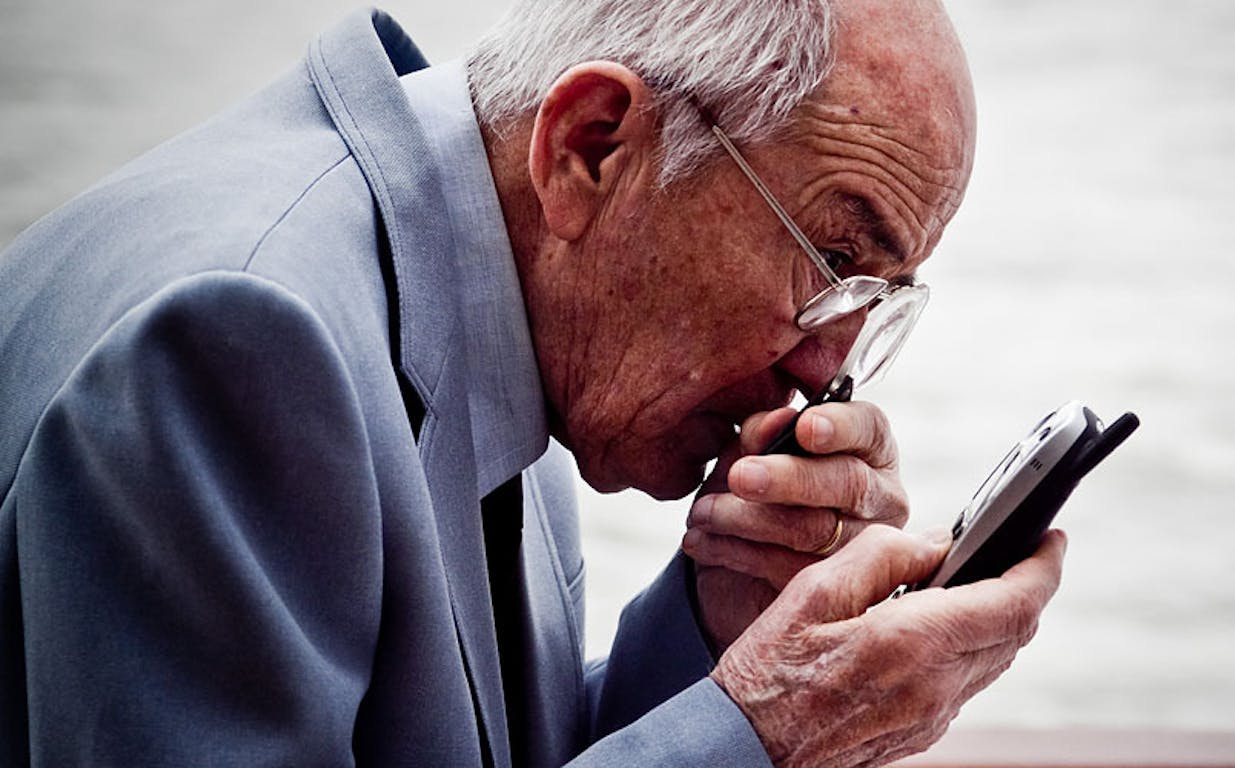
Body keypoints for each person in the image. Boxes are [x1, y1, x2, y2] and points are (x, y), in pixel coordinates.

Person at [0, 0, 1068, 765]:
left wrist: (720, 624)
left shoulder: (495, 282)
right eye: (834, 263)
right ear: (592, 146)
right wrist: (767, 733)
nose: (824, 371)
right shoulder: (243, 344)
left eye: (879, 304)